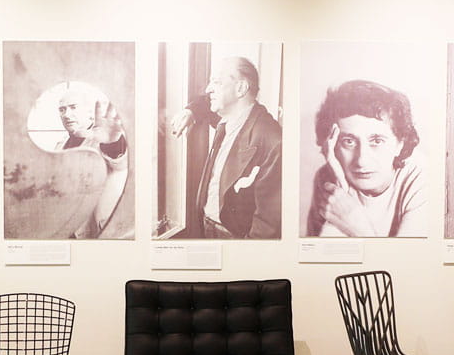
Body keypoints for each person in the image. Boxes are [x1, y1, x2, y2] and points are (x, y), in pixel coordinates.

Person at [170, 56, 281, 239]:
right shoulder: (230, 118)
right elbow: (205, 103)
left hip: (236, 240)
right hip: (207, 227)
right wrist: (190, 111)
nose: (208, 89)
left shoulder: (272, 139)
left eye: (217, 82)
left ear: (241, 88)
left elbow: (268, 224)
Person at [306, 79, 423, 237]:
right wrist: (342, 188)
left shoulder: (422, 178)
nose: (362, 160)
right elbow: (318, 249)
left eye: (377, 141)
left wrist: (354, 224)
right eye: (349, 141)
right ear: (332, 144)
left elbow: (410, 254)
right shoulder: (326, 178)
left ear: (400, 144)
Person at [45, 81, 129, 237]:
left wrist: (112, 142)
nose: (67, 114)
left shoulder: (103, 138)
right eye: (62, 109)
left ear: (90, 111)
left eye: (73, 107)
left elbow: (120, 164)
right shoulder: (59, 145)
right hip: (63, 226)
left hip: (95, 230)